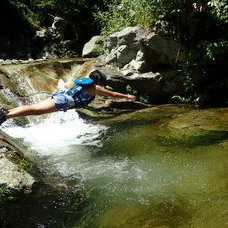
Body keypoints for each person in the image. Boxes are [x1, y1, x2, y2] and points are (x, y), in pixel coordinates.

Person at [0, 70, 136, 125]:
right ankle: (5, 116)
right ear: (99, 81)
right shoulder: (95, 87)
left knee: (34, 108)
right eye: (103, 82)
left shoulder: (84, 84)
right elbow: (113, 95)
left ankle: (7, 113)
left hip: (60, 96)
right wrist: (128, 96)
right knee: (35, 111)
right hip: (63, 100)